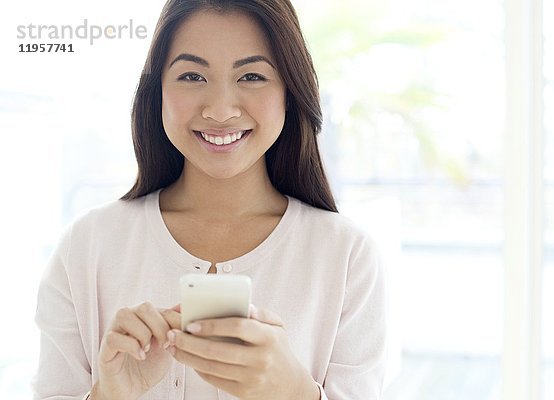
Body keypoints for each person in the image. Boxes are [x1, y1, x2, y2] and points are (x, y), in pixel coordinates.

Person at [31, 0, 387, 399]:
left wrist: (294, 392)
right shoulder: (88, 247)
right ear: (157, 93)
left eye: (252, 75)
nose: (220, 111)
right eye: (192, 76)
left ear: (290, 90)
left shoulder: (346, 256)